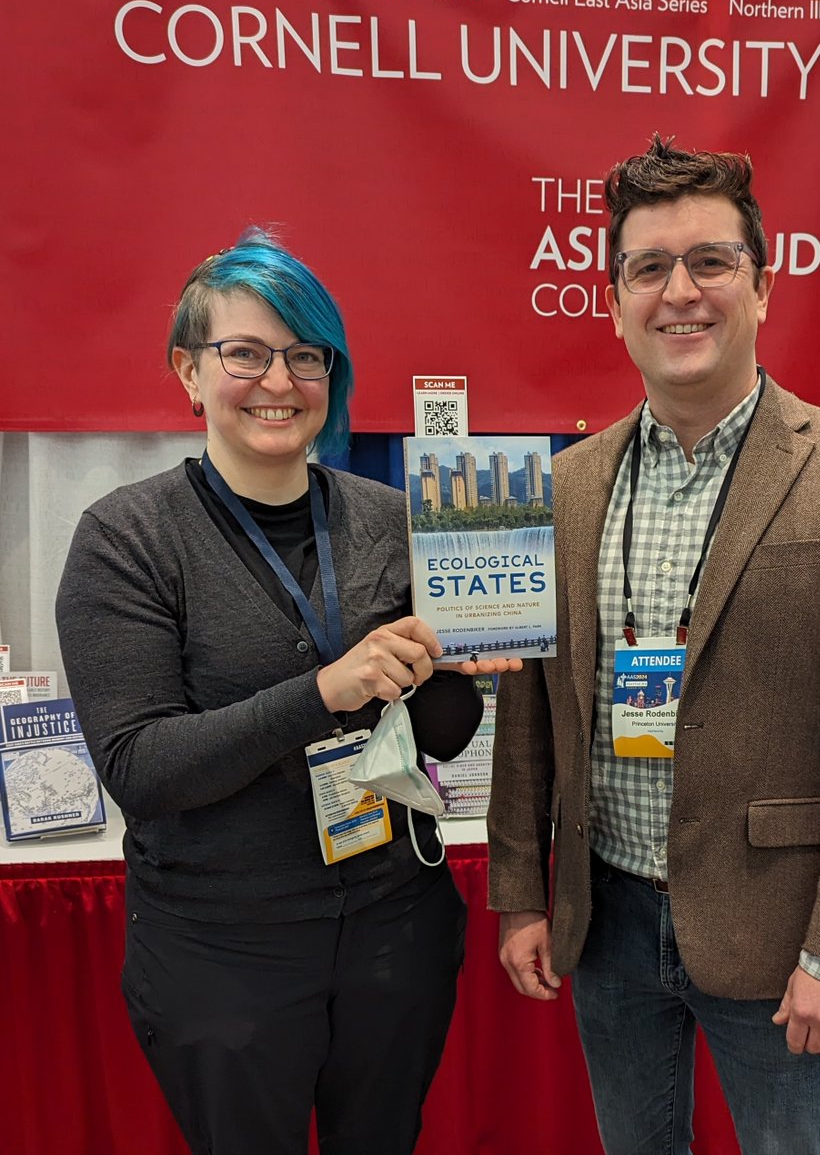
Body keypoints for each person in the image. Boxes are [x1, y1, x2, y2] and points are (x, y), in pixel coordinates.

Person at [486, 136, 820, 1155]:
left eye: (709, 262)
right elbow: (529, 721)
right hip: (602, 925)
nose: (678, 293)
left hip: (778, 936)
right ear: (612, 303)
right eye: (647, 268)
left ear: (761, 288)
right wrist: (520, 893)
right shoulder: (560, 489)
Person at [56, 229, 520, 1155]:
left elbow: (439, 737)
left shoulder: (395, 516)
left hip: (396, 922)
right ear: (189, 372)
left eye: (305, 355)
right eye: (245, 352)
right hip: (223, 948)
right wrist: (322, 691)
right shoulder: (126, 538)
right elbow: (141, 767)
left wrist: (460, 670)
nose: (279, 379)